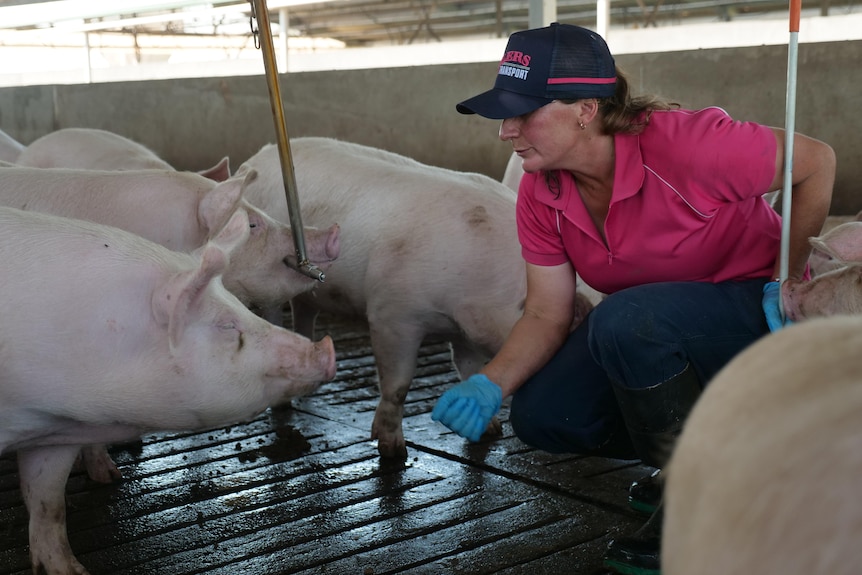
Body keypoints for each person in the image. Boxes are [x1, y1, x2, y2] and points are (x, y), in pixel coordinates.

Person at [431, 22, 836, 575]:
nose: (507, 130)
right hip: (657, 326)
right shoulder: (541, 189)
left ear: (585, 109)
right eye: (505, 113)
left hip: (754, 309)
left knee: (625, 321)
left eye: (524, 112)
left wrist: (788, 281)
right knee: (547, 415)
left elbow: (815, 162)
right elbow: (549, 311)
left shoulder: (687, 145)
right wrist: (491, 381)